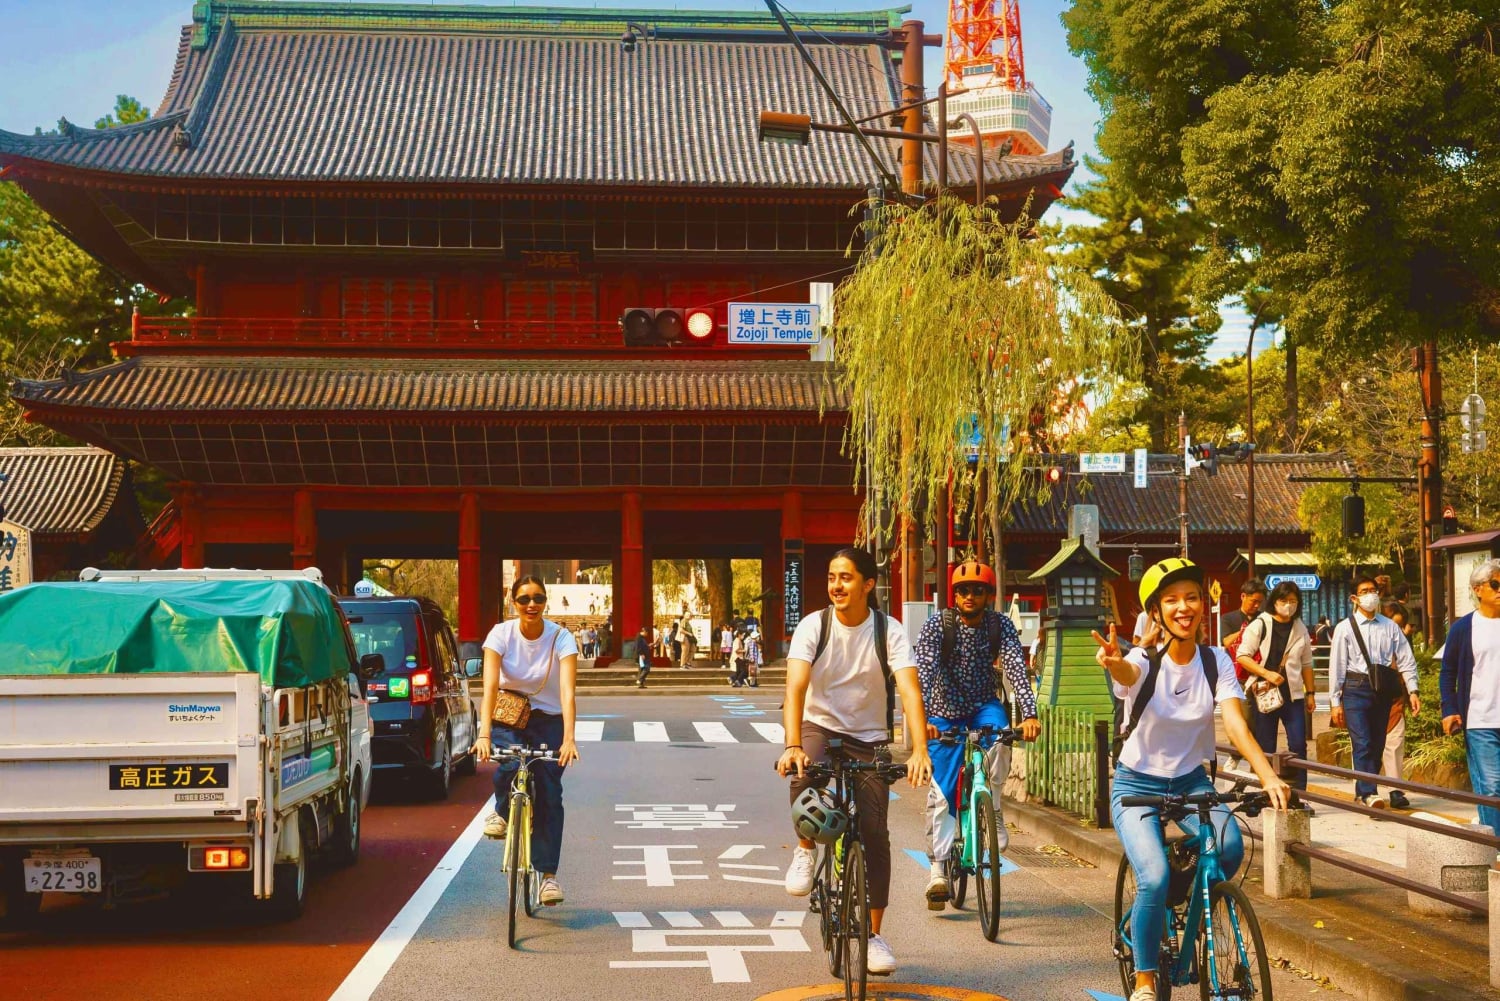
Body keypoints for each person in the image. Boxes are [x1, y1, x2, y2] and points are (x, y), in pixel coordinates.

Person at [1094, 558, 1291, 1001]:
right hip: (1136, 786)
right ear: (1156, 612)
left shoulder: (1215, 661)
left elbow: (1236, 725)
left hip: (1190, 783)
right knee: (1153, 877)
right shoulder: (1142, 659)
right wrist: (1113, 662)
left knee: (1230, 846)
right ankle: (1145, 977)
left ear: (1203, 604)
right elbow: (1127, 673)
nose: (1183, 607)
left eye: (1191, 598)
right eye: (1171, 600)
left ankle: (1178, 893)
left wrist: (1268, 777)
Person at [777, 547, 933, 977]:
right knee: (803, 772)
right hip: (820, 726)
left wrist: (919, 750)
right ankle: (805, 850)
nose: (836, 585)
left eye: (845, 578)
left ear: (867, 584)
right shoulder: (815, 625)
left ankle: (873, 934)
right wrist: (793, 745)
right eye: (831, 577)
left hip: (869, 737)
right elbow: (795, 688)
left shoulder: (888, 630)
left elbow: (910, 691)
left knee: (875, 833)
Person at [913, 560, 1040, 909]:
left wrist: (1030, 714)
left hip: (985, 705)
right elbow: (924, 674)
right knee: (942, 793)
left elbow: (1016, 667)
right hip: (944, 711)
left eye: (977, 590)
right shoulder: (938, 626)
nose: (970, 596)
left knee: (1001, 739)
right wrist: (923, 719)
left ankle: (993, 805)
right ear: (955, 596)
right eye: (963, 590)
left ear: (989, 595)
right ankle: (938, 869)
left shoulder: (1000, 625)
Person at [473, 576, 580, 906]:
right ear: (513, 602)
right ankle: (503, 812)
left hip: (549, 720)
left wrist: (569, 738)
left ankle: (548, 877)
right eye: (524, 599)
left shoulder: (561, 638)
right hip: (508, 715)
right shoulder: (501, 634)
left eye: (538, 598)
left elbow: (567, 692)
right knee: (508, 762)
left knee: (549, 792)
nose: (531, 605)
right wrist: (484, 733)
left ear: (545, 601)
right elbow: (490, 687)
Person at [1329, 575, 1420, 808]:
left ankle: (1365, 790)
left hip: (1382, 689)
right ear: (1354, 598)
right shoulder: (1344, 628)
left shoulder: (1390, 626)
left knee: (1378, 742)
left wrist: (1413, 690)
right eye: (1364, 591)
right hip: (1354, 688)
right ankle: (1368, 792)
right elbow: (1337, 666)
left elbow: (1406, 659)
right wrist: (1335, 702)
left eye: (1373, 590)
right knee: (1363, 742)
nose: (1371, 595)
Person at [1235, 580, 1315, 791]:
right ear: (1274, 601)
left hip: (1293, 695)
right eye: (1284, 600)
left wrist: (1311, 693)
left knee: (1298, 744)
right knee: (1266, 744)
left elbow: (1307, 663)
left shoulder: (1300, 628)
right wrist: (1266, 673)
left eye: (1293, 601)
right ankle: (1266, 789)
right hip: (1265, 693)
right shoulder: (1260, 624)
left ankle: (1299, 792)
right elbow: (1242, 656)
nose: (1288, 605)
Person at [1441, 558, 1500, 833]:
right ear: (1478, 589)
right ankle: (1495, 845)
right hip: (1480, 720)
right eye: (1495, 584)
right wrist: (1450, 709)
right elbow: (1448, 673)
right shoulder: (1464, 628)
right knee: (1492, 786)